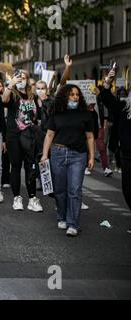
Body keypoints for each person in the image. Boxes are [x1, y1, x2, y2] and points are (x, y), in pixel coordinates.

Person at [41, 84, 95, 237]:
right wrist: (45, 155)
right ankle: (62, 216)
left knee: (75, 190)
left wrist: (91, 156)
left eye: (77, 95)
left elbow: (90, 137)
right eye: (71, 94)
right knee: (60, 189)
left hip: (78, 156)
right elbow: (49, 135)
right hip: (58, 153)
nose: (75, 97)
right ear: (65, 96)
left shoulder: (85, 114)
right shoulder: (56, 113)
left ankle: (73, 224)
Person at [2, 69, 43, 212]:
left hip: (30, 136)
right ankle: (17, 198)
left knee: (30, 166)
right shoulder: (12, 94)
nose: (21, 80)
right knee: (16, 166)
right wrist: (10, 84)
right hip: (14, 136)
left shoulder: (33, 96)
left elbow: (38, 116)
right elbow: (3, 100)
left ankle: (32, 198)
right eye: (19, 78)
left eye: (24, 78)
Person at [101, 69, 131, 234]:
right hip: (127, 155)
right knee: (127, 189)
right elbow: (106, 98)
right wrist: (107, 83)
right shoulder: (125, 107)